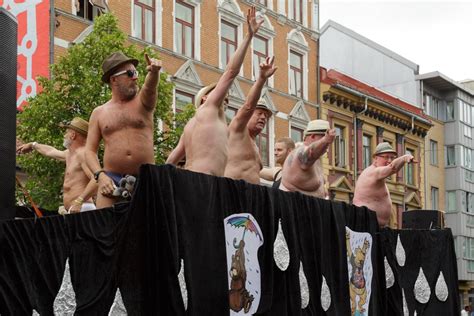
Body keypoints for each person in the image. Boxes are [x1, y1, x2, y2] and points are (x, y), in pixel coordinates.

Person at [166, 6, 263, 176]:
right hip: (205, 183)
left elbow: (170, 162)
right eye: (216, 92)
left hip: (196, 182)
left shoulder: (190, 126)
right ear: (204, 98)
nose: (224, 96)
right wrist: (249, 36)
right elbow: (231, 73)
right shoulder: (209, 108)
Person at [85, 51, 162, 208]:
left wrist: (154, 73)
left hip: (146, 180)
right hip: (111, 180)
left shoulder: (143, 103)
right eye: (130, 73)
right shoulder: (99, 112)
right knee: (105, 228)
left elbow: (150, 88)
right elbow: (89, 151)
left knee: (148, 231)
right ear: (114, 80)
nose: (135, 77)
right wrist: (101, 176)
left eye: (136, 72)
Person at [16, 117, 97, 213]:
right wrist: (32, 145)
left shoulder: (83, 154)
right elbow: (50, 151)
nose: (64, 135)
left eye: (67, 132)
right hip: (76, 209)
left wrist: (79, 201)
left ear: (73, 135)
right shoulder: (70, 154)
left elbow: (97, 180)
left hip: (83, 208)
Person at [224, 57, 277, 184]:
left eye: (266, 115)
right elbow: (248, 105)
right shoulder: (237, 130)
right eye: (259, 113)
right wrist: (261, 79)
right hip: (232, 194)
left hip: (252, 198)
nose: (263, 118)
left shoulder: (254, 144)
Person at [353, 142, 417, 227]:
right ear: (375, 158)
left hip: (372, 226)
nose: (389, 160)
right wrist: (405, 158)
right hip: (365, 226)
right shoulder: (373, 172)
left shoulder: (379, 177)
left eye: (392, 157)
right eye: (386, 157)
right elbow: (392, 168)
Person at [279, 120, 336, 197]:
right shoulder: (300, 152)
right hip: (295, 206)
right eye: (323, 136)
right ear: (312, 136)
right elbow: (311, 151)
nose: (328, 144)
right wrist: (325, 140)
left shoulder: (316, 160)